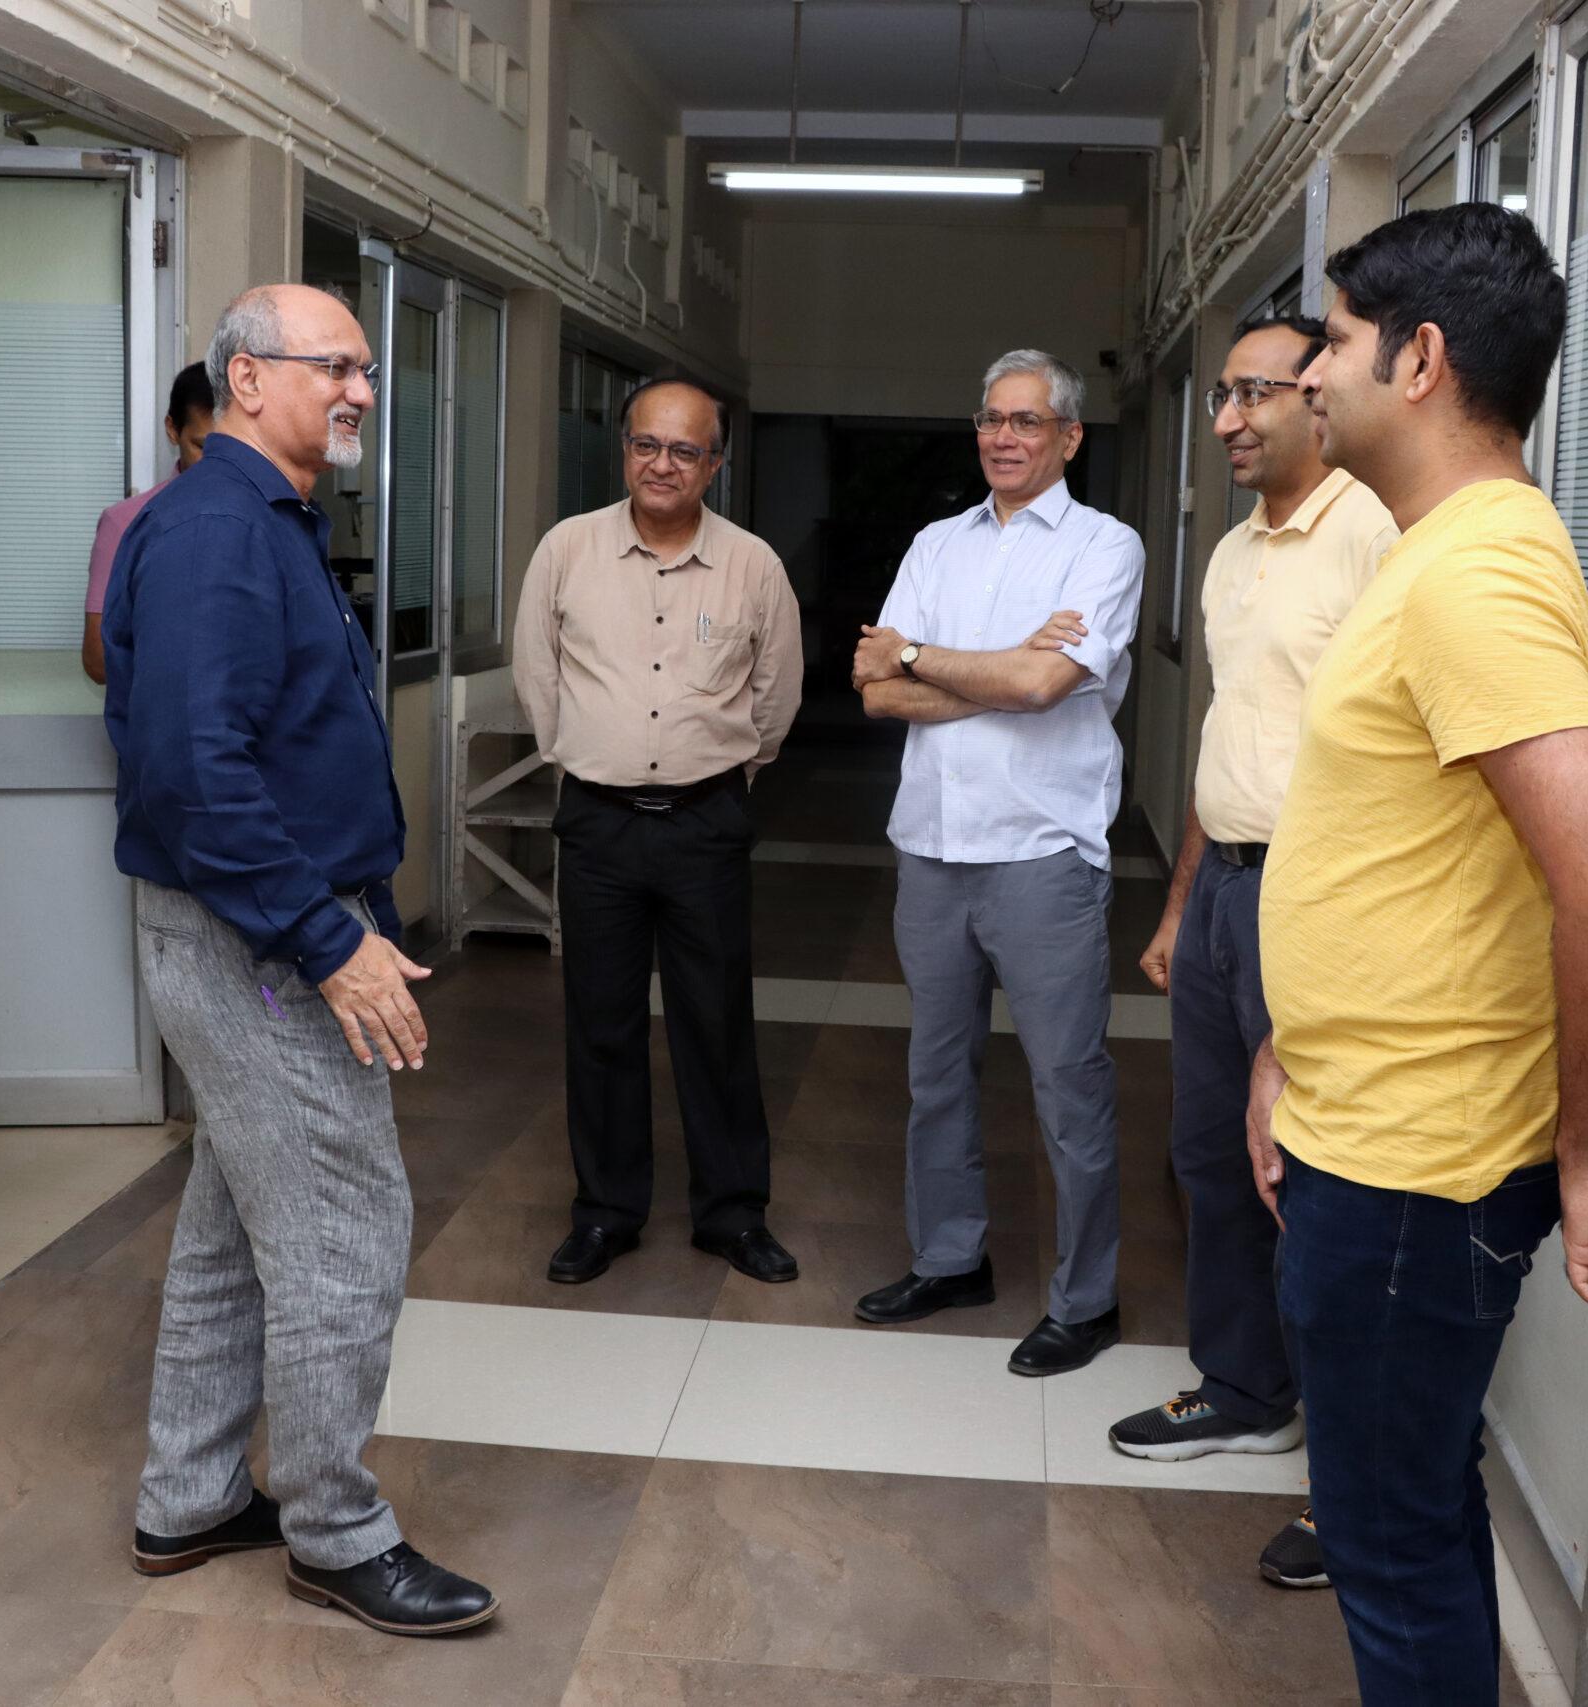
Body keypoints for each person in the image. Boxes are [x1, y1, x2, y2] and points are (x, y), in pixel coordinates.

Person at [1252, 204, 1588, 1704]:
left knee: (1388, 1535)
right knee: (1414, 1502)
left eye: (1335, 342)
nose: (1310, 375)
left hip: (1414, 1175)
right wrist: (1291, 1049)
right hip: (1373, 1130)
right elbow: (1424, 860)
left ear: (1420, 359)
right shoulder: (1445, 554)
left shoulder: (1474, 574)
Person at [104, 284, 495, 1637]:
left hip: (260, 924)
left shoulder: (263, 518)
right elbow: (195, 774)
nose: (362, 392)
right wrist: (331, 940)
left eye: (365, 370)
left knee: (232, 1225)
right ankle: (335, 1530)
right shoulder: (216, 533)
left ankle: (191, 1494)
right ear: (249, 377)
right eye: (337, 366)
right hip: (260, 938)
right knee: (344, 1224)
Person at [1104, 316, 1396, 1568]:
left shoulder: (1374, 534)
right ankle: (1243, 1390)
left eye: (1251, 393)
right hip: (1225, 890)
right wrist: (1181, 907)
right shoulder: (1230, 552)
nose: (1223, 419)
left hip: (1317, 895)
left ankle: (1356, 1482)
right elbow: (1229, 737)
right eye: (1220, 395)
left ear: (1317, 396)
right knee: (1211, 1156)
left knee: (1314, 1181)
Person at [851, 349, 1146, 1377]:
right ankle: (949, 1259)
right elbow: (874, 690)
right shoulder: (935, 544)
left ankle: (1087, 1299)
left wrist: (922, 656)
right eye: (990, 418)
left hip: (1042, 853)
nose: (1003, 437)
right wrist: (1007, 663)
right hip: (930, 848)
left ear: (1069, 437)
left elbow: (1040, 687)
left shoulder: (1105, 547)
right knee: (936, 1074)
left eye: (1027, 421)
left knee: (1068, 1083)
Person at [513, 379, 804, 1287]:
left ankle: (732, 1213)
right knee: (599, 1022)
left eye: (684, 450)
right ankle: (606, 1212)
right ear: (624, 450)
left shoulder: (753, 565)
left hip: (704, 823)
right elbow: (538, 677)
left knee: (716, 1023)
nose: (662, 464)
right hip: (597, 824)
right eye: (646, 444)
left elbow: (775, 698)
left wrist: (718, 774)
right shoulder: (566, 550)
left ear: (715, 463)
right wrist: (586, 757)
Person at [84, 361, 215, 683]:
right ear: (172, 429)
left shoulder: (272, 519)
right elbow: (98, 661)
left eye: (232, 448)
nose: (217, 463)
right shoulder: (125, 523)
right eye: (201, 446)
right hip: (159, 713)